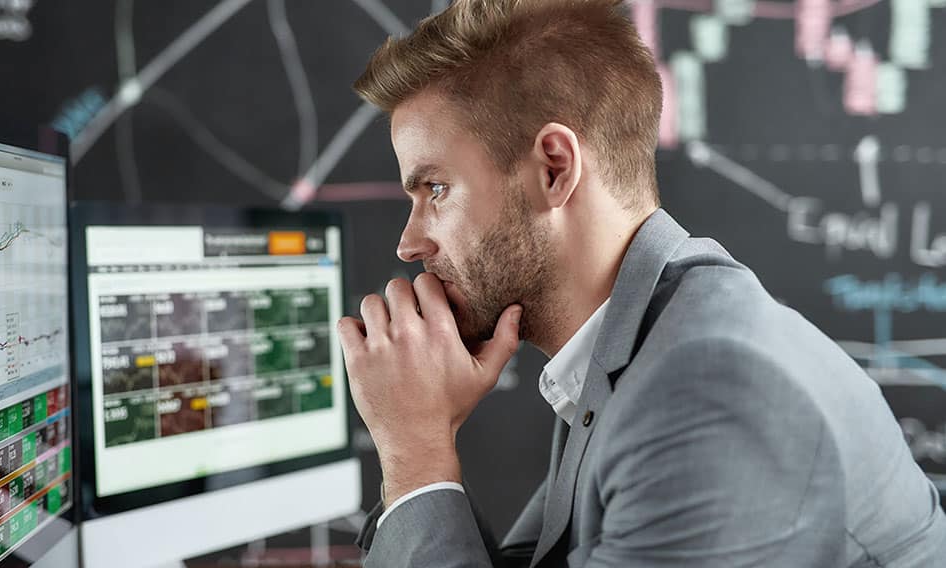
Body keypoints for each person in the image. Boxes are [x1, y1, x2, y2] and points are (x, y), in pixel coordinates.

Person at [334, 0, 946, 566]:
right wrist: (417, 448)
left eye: (436, 189)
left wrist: (414, 453)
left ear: (554, 169)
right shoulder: (633, 351)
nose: (408, 243)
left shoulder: (712, 393)